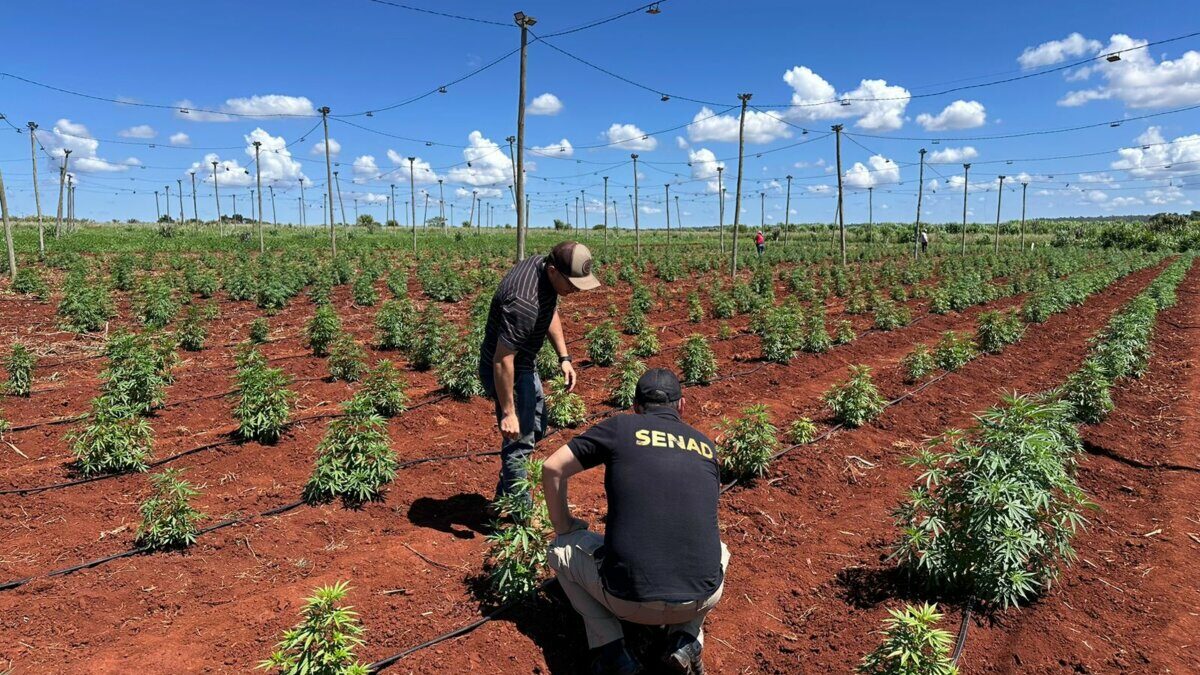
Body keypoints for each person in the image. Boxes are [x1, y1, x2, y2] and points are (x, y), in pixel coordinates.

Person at [543, 369, 728, 675]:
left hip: (626, 599)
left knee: (559, 549)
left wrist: (564, 525)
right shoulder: (705, 446)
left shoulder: (621, 427)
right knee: (720, 550)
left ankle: (610, 650)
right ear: (681, 405)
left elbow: (552, 467)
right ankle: (685, 640)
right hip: (700, 598)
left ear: (635, 405)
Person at [479, 241, 600, 510]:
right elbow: (502, 360)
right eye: (572, 285)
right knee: (520, 440)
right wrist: (508, 412)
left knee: (536, 425)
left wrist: (564, 357)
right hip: (507, 368)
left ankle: (505, 496)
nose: (575, 292)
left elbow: (549, 311)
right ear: (554, 271)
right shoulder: (524, 303)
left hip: (522, 362)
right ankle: (521, 512)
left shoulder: (541, 269)